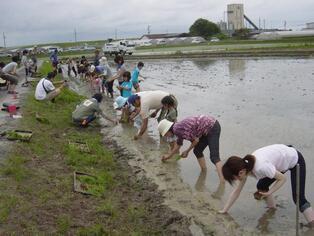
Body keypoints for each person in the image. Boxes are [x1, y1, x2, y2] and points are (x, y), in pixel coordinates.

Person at [219, 144, 314, 227]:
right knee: (262, 186)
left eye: (234, 178)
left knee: (298, 198)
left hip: (295, 159)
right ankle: (272, 209)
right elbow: (237, 191)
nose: (235, 180)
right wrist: (224, 210)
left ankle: (312, 224)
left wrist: (270, 192)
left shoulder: (260, 167)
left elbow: (282, 179)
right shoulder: (245, 167)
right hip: (282, 156)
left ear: (240, 172)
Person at [157, 115, 224, 183]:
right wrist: (168, 156)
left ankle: (222, 182)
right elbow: (178, 145)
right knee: (197, 151)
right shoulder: (177, 127)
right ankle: (204, 172)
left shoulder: (177, 130)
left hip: (212, 126)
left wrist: (187, 151)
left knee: (214, 157)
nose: (166, 136)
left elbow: (196, 140)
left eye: (165, 135)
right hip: (206, 128)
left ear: (167, 130)